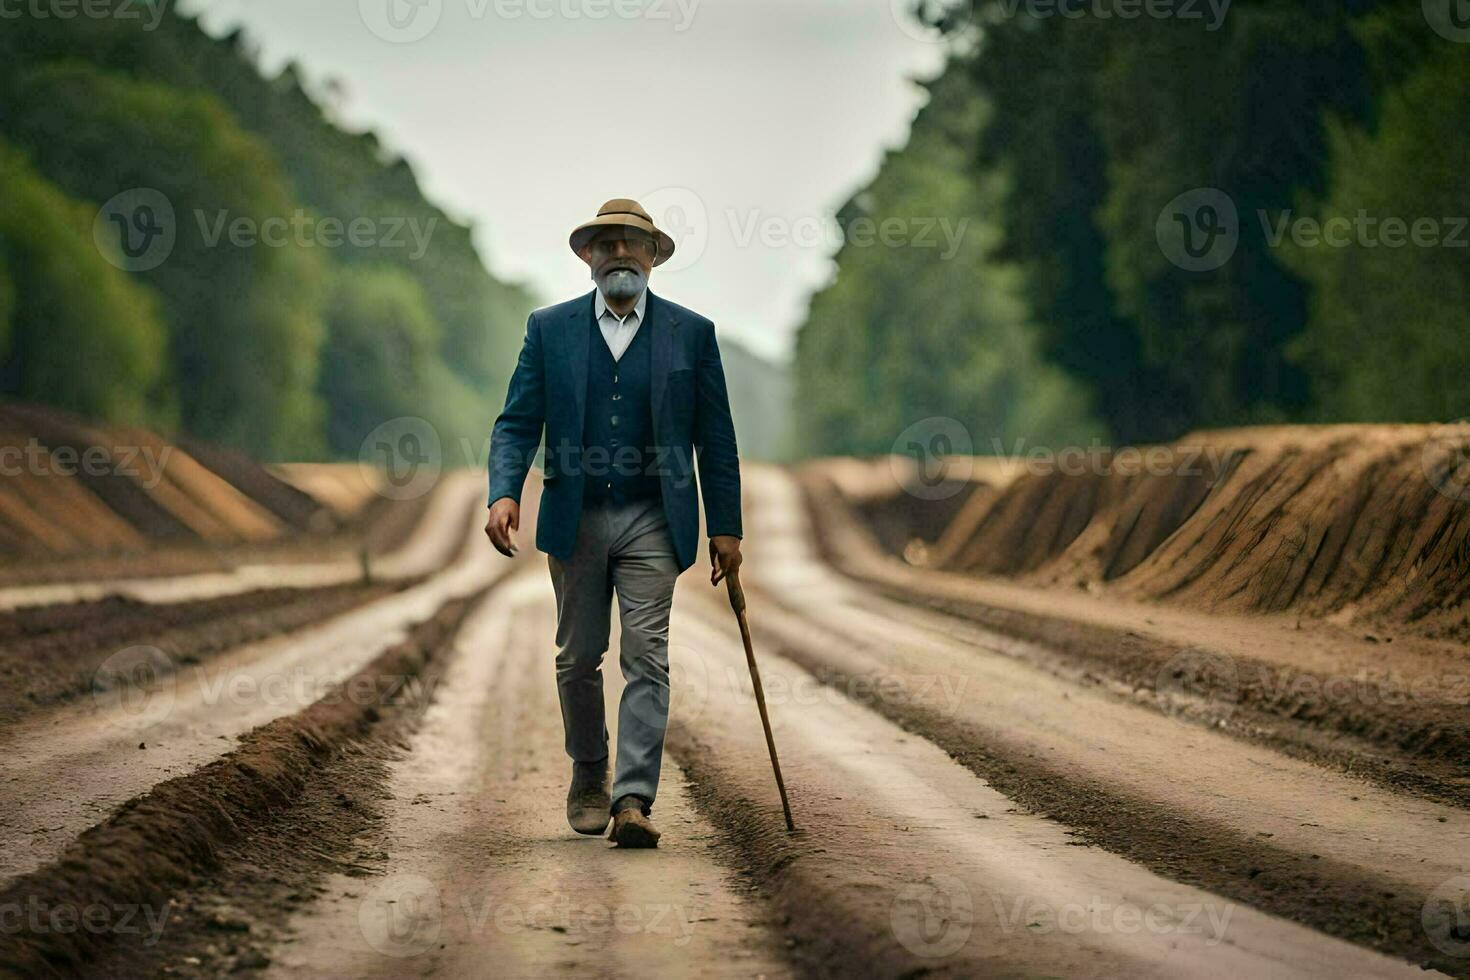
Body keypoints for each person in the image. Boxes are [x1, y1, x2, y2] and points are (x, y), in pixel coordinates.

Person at [485, 198, 743, 848]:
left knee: (648, 657)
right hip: (576, 518)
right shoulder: (549, 330)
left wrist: (727, 526)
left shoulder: (693, 333)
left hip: (656, 520)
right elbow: (517, 422)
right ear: (587, 258)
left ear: (655, 256)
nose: (621, 254)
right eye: (608, 244)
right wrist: (504, 493)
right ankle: (590, 766)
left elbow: (717, 438)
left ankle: (632, 798)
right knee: (577, 659)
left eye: (634, 243)